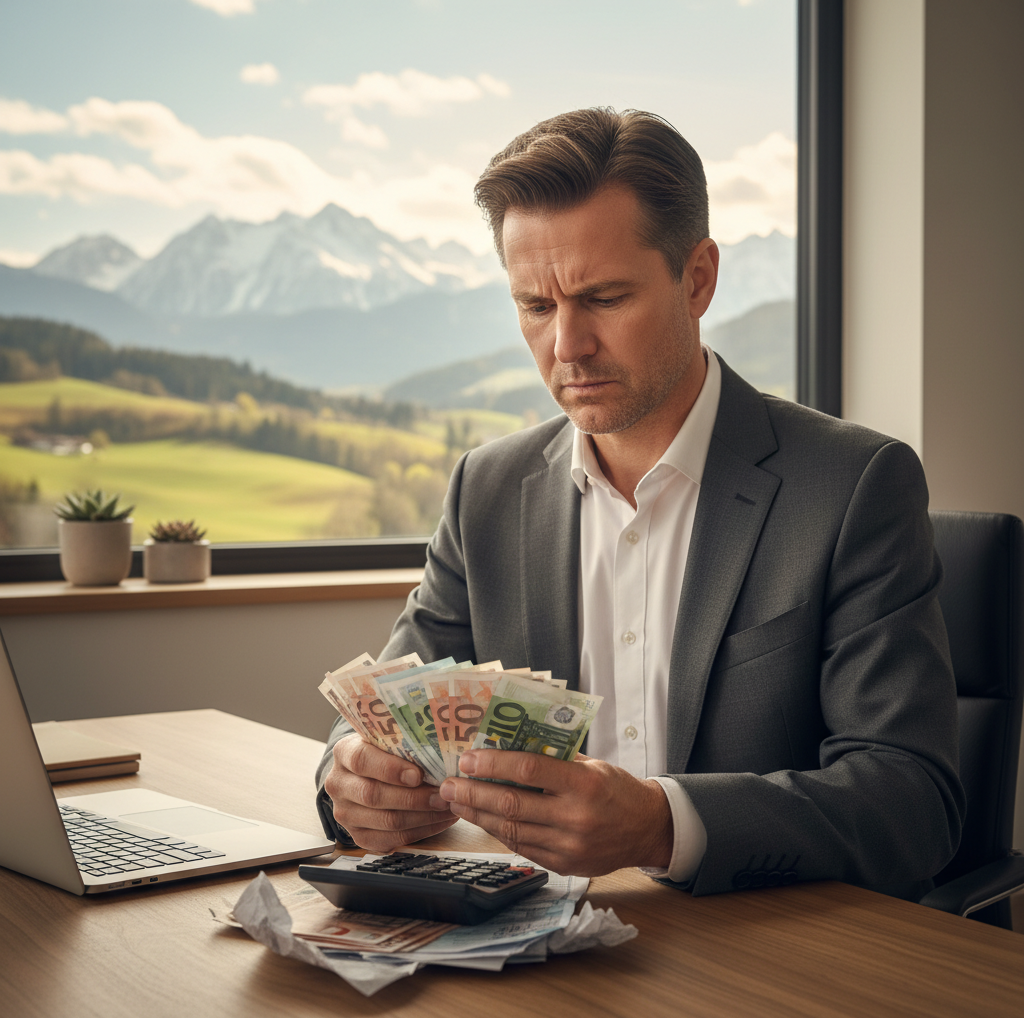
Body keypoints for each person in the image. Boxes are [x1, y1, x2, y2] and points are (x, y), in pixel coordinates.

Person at [316, 108, 964, 899]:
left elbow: (913, 802)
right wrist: (349, 778)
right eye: (536, 306)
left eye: (604, 298)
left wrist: (663, 824)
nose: (567, 346)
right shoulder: (484, 490)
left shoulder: (855, 485)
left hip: (763, 963)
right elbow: (381, 716)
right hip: (538, 959)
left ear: (697, 279)